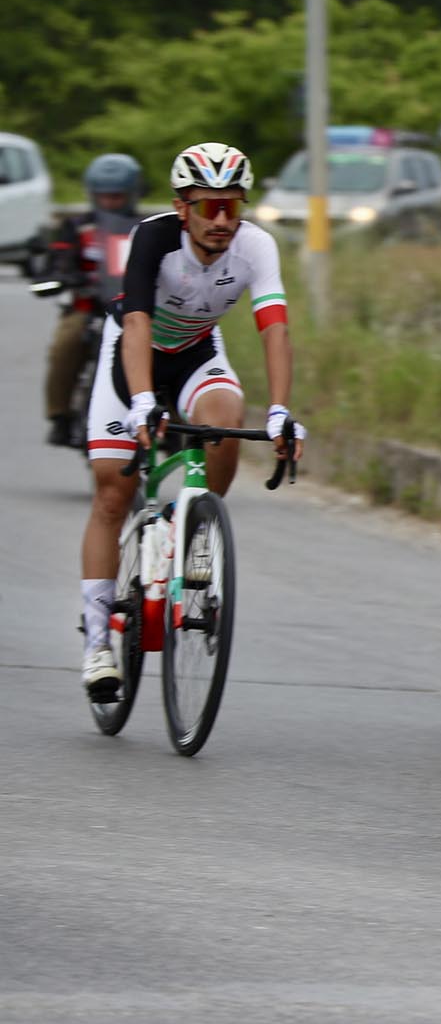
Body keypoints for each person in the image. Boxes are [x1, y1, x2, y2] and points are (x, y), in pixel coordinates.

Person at [77, 143, 305, 700]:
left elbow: (274, 328)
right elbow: (134, 326)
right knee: (113, 491)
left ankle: (196, 528)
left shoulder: (255, 246)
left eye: (233, 206)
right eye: (209, 208)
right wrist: (139, 402)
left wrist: (280, 411)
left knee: (227, 418)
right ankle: (97, 642)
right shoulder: (152, 238)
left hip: (197, 352)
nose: (223, 220)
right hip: (133, 353)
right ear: (184, 208)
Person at [42, 153, 146, 446]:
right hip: (88, 307)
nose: (109, 202)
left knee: (168, 348)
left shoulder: (147, 227)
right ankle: (60, 416)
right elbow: (60, 259)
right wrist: (62, 275)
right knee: (66, 344)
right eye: (103, 196)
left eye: (116, 196)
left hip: (135, 310)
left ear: (132, 193)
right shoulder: (78, 227)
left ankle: (176, 423)